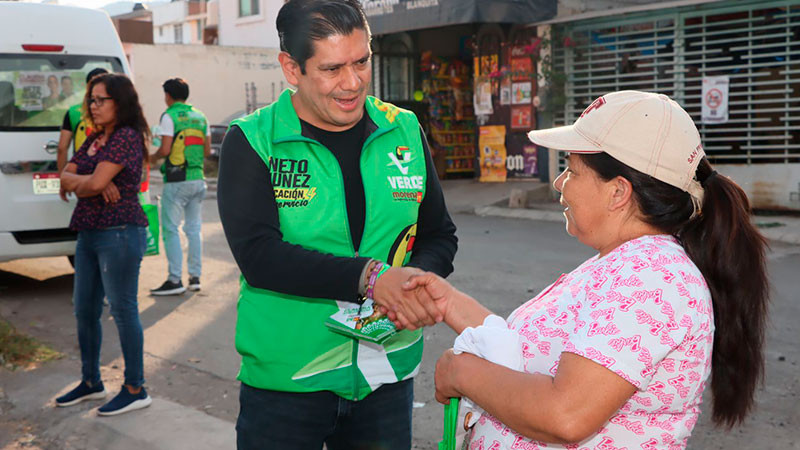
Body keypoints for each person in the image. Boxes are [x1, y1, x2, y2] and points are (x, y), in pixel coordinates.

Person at [405, 91, 769, 449]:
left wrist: (462, 374)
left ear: (618, 193)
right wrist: (448, 303)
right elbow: (526, 353)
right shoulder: (626, 261)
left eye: (572, 170)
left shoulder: (651, 277)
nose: (559, 183)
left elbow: (566, 415)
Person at [216, 0, 457, 448]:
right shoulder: (252, 139)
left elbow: (438, 234)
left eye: (362, 61)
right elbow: (259, 256)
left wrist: (414, 284)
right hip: (287, 383)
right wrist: (370, 278)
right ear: (292, 68)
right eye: (331, 69)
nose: (352, 83)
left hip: (385, 375)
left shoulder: (402, 129)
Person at [56, 73, 153, 416]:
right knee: (84, 310)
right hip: (89, 231)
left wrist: (95, 181)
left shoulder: (126, 137)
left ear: (120, 102)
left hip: (120, 231)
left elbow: (88, 179)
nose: (93, 106)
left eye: (101, 100)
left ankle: (136, 387)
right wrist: (93, 182)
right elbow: (64, 179)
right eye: (91, 100)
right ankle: (91, 381)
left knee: (123, 310)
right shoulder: (97, 138)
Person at [149, 77, 210, 295]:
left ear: (168, 95)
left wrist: (150, 158)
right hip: (198, 178)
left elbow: (165, 150)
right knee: (194, 229)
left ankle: (174, 280)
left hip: (176, 180)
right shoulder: (200, 116)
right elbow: (206, 150)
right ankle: (195, 277)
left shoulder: (169, 116)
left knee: (171, 230)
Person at [57, 68, 109, 173]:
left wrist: (65, 179)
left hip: (81, 173)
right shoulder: (115, 112)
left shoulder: (73, 112)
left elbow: (62, 148)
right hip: (107, 172)